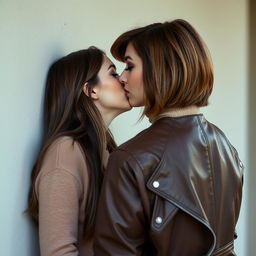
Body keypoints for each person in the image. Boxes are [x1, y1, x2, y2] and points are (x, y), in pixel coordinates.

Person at [94, 19, 244, 256]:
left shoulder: (130, 159)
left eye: (130, 66)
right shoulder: (227, 148)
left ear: (160, 69)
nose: (122, 77)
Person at [27, 47, 131, 256]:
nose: (122, 79)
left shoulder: (107, 150)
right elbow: (58, 252)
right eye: (113, 73)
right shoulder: (65, 152)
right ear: (90, 90)